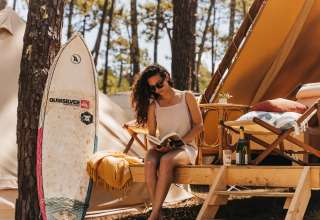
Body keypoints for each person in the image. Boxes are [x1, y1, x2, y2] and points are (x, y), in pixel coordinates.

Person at [130, 63, 203, 220]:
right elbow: (151, 135)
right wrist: (157, 144)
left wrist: (180, 142)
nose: (157, 89)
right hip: (165, 148)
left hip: (186, 148)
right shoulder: (153, 106)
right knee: (149, 161)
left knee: (166, 161)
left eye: (158, 84)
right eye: (152, 88)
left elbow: (199, 126)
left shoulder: (187, 97)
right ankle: (159, 214)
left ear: (166, 77)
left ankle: (154, 214)